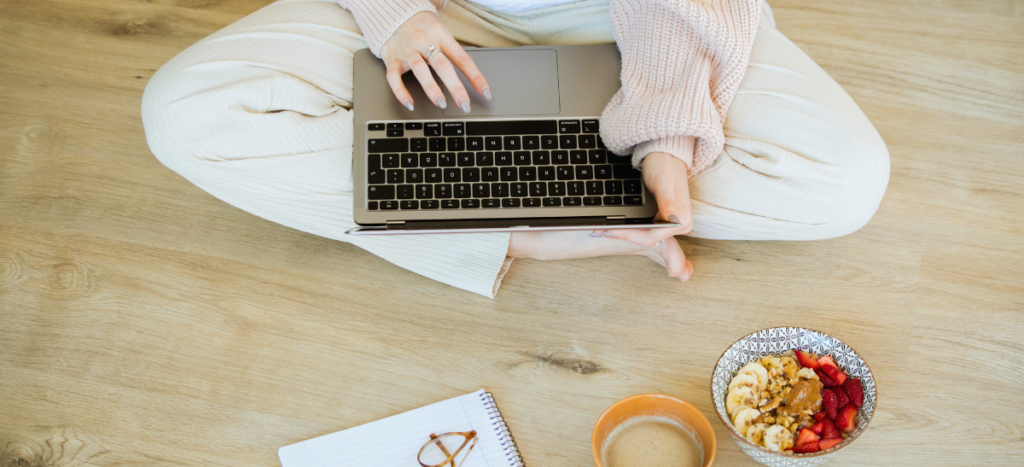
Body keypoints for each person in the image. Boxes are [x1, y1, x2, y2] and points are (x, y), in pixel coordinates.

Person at [142, 0, 889, 298]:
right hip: (438, 14)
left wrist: (668, 130)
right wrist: (391, 14)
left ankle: (529, 179)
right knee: (184, 112)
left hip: (644, 18)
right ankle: (522, 224)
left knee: (845, 182)